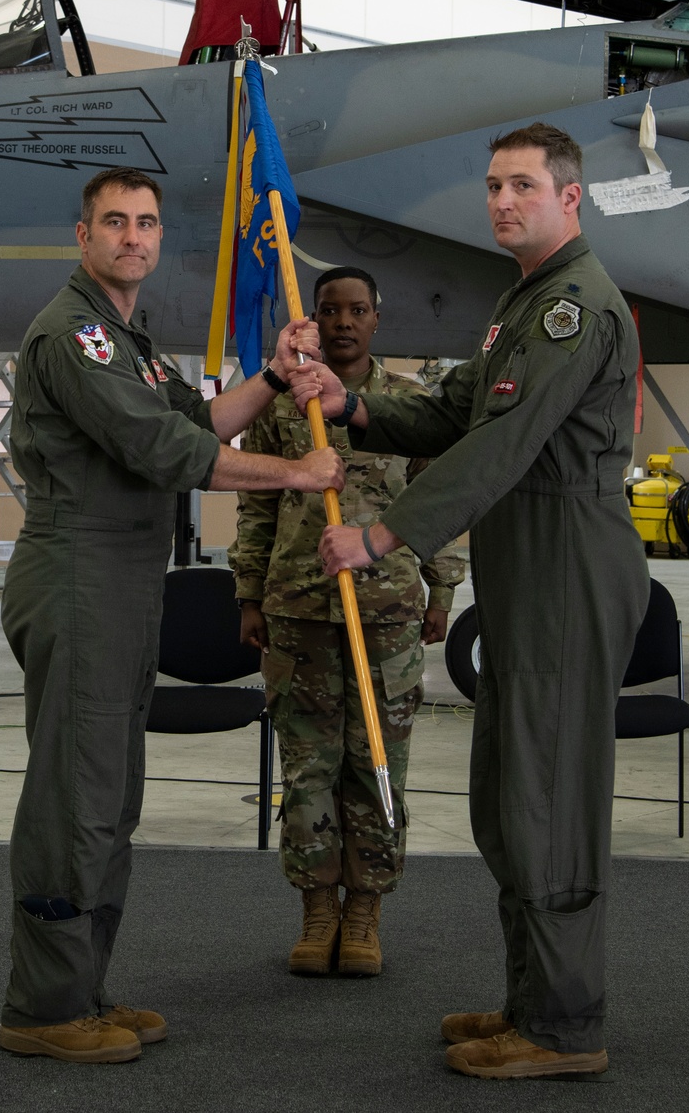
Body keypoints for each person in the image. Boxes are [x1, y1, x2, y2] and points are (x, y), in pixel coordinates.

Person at [293, 124, 648, 1080]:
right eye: (493, 186)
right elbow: (457, 414)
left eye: (523, 186)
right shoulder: (525, 302)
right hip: (530, 561)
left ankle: (566, 1027)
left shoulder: (573, 308)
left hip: (566, 559)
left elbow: (504, 446)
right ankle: (533, 1000)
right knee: (510, 793)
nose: (502, 201)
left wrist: (383, 534)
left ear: (569, 198)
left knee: (549, 797)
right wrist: (354, 402)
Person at [0, 166, 343, 1064]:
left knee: (110, 799)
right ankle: (42, 1007)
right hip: (77, 573)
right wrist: (298, 475)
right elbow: (167, 450)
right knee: (76, 797)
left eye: (146, 223)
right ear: (84, 236)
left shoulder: (130, 339)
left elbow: (200, 417)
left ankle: (82, 989)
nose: (133, 237)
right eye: (114, 222)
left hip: (119, 579)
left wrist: (271, 374)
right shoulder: (76, 335)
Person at [229, 267, 463, 978]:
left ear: (375, 320)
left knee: (376, 765)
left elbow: (439, 500)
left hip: (385, 607)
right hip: (298, 608)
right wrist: (247, 594)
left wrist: (441, 589)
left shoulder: (408, 404)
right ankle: (317, 910)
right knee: (308, 770)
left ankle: (364, 911)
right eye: (329, 310)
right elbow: (257, 505)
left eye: (357, 310)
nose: (342, 322)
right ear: (315, 320)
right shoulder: (282, 404)